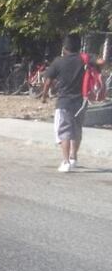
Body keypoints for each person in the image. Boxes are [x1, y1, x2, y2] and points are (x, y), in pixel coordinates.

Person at [40, 33, 86, 172]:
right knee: (77, 129)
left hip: (64, 102)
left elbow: (48, 81)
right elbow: (101, 62)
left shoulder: (58, 61)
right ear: (79, 47)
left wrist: (44, 96)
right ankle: (73, 158)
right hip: (81, 101)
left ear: (65, 48)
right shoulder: (84, 60)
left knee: (64, 130)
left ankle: (65, 162)